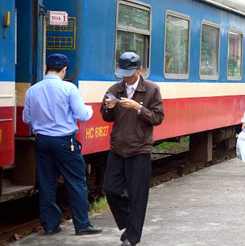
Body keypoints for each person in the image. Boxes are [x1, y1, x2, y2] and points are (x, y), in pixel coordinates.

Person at [22, 53, 102, 236]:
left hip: (42, 141)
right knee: (76, 182)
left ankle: (50, 225)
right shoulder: (69, 89)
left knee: (46, 183)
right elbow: (82, 115)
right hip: (65, 142)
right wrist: (88, 108)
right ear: (64, 69)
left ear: (46, 67)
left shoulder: (32, 90)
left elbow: (26, 118)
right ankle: (82, 225)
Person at [101, 52, 164, 246]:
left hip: (140, 149)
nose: (125, 78)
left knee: (138, 195)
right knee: (110, 189)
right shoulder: (114, 89)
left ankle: (131, 237)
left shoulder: (152, 90)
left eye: (129, 73)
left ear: (139, 69)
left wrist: (138, 108)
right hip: (118, 148)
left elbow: (158, 118)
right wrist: (108, 107)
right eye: (122, 73)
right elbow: (106, 117)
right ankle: (131, 220)